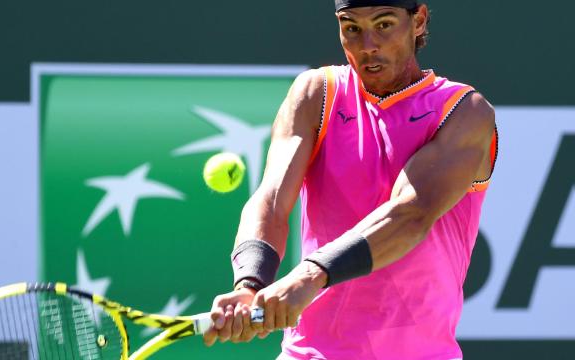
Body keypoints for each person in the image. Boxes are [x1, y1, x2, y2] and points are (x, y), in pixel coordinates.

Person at [204, 0, 498, 358]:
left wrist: (309, 276)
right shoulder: (316, 94)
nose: (367, 44)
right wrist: (250, 282)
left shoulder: (463, 111)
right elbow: (271, 199)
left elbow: (409, 214)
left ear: (418, 21)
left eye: (384, 24)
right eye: (351, 27)